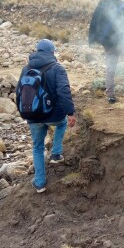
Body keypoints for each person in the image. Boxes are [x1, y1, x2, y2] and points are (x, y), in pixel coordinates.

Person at [17, 39, 76, 193]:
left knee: (37, 147)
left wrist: (24, 113)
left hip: (33, 115)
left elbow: (19, 93)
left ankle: (40, 183)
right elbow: (64, 91)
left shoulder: (26, 68)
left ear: (37, 51)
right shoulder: (57, 68)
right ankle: (56, 154)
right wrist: (70, 112)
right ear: (52, 52)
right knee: (62, 124)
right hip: (54, 115)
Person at [88, 0, 124, 103]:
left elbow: (94, 21)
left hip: (108, 43)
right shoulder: (122, 5)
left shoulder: (103, 5)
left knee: (110, 70)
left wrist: (95, 39)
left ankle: (110, 95)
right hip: (122, 41)